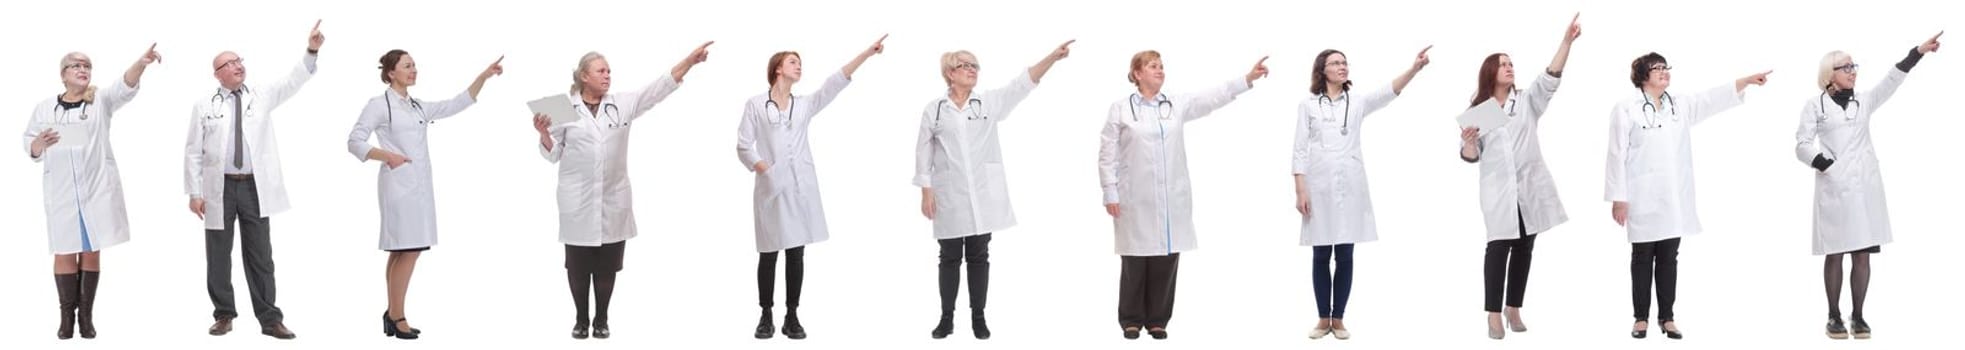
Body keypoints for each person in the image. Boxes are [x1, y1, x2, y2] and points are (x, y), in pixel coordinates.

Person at [531, 41, 712, 339]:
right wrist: (542, 134)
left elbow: (660, 87)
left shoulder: (623, 103)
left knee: (606, 264)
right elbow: (554, 153)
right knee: (577, 265)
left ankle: (601, 319)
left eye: (609, 71)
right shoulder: (562, 106)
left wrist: (689, 61)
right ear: (584, 76)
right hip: (577, 200)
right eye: (601, 71)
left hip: (613, 198)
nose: (607, 75)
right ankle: (580, 319)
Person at [1098, 49, 1268, 340]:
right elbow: (1107, 153)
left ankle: (1157, 320)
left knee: (1166, 258)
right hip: (1135, 198)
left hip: (1171, 196)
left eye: (1161, 66)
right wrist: (1110, 192)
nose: (1160, 70)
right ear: (1137, 74)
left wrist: (1247, 79)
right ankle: (1130, 318)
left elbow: (1212, 97)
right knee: (1136, 259)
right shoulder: (1121, 108)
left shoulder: (1175, 104)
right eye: (1153, 66)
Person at [913, 40, 1073, 340]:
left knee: (978, 256)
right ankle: (946, 318)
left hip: (981, 194)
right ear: (950, 72)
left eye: (975, 66)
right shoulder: (934, 110)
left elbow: (1023, 83)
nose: (972, 70)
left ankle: (978, 317)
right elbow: (923, 152)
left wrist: (1051, 57)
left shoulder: (987, 103)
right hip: (948, 194)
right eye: (965, 65)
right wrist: (926, 191)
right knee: (948, 257)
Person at [1605, 52, 1771, 340]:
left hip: (1673, 198)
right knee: (1642, 257)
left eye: (1665, 67)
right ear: (1643, 75)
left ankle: (1667, 317)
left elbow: (1711, 99)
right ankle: (1641, 318)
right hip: (1641, 197)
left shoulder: (1678, 105)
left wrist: (1744, 81)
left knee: (1669, 257)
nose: (1664, 72)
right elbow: (1616, 153)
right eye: (1657, 69)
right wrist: (1619, 197)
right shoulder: (1625, 108)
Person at [182, 20, 327, 340]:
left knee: (260, 253)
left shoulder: (261, 95)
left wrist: (311, 50)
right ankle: (224, 314)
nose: (237, 66)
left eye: (239, 61)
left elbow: (294, 80)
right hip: (218, 187)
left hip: (253, 186)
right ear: (217, 73)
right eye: (229, 63)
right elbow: (193, 151)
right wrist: (194, 192)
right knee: (218, 253)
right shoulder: (205, 104)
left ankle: (270, 319)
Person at [346, 50, 504, 339]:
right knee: (409, 249)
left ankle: (391, 313)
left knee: (401, 250)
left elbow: (457, 103)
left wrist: (483, 77)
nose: (414, 70)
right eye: (407, 66)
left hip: (418, 188)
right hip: (397, 187)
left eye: (414, 65)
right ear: (391, 73)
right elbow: (354, 141)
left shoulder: (416, 106)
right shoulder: (379, 105)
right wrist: (386, 156)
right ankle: (398, 315)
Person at [737, 34, 886, 340]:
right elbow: (742, 145)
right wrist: (766, 169)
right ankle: (766, 315)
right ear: (777, 68)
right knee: (768, 253)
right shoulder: (755, 104)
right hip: (770, 189)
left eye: (800, 63)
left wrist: (866, 54)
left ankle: (792, 315)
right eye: (793, 62)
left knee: (796, 253)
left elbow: (835, 82)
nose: (799, 67)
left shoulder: (803, 105)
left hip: (799, 188)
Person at [1794, 31, 1942, 340]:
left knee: (1862, 255)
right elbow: (1802, 144)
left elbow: (1892, 80)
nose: (1853, 71)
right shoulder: (1815, 105)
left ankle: (1858, 315)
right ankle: (1833, 315)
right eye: (1846, 67)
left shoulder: (1864, 101)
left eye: (1854, 66)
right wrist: (1823, 163)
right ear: (1829, 75)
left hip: (1864, 189)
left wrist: (1917, 52)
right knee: (1834, 253)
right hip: (1835, 189)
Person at [1456, 13, 1580, 340]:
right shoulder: (1479, 110)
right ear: (1490, 74)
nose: (1510, 67)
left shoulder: (1527, 102)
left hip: (1530, 189)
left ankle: (1514, 307)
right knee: (1498, 248)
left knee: (1525, 248)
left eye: (1511, 63)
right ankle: (1493, 314)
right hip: (1498, 192)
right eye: (1502, 64)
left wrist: (1566, 41)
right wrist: (1469, 142)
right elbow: (1470, 156)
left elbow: (1551, 76)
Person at [24, 44, 161, 340]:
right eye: (76, 65)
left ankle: (85, 317)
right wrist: (39, 144)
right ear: (63, 75)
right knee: (63, 249)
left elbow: (125, 85)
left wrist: (142, 62)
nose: (83, 69)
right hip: (61, 191)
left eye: (87, 66)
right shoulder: (45, 107)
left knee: (90, 248)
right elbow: (30, 144)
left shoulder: (100, 101)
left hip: (95, 189)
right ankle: (66, 318)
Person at [1293, 45, 1429, 340]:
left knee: (1344, 253)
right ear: (1323, 70)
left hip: (1350, 186)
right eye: (1336, 63)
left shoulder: (1356, 102)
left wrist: (1414, 69)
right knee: (1320, 254)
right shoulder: (1308, 105)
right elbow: (1300, 149)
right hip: (1318, 187)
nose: (1343, 67)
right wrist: (1300, 189)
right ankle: (1322, 318)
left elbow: (1387, 92)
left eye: (1345, 62)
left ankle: (1338, 318)